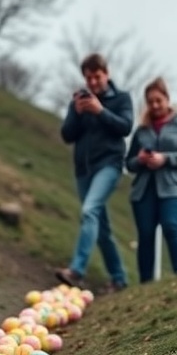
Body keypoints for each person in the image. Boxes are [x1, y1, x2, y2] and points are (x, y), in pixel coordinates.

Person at [55, 53, 133, 291]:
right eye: (89, 78)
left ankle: (77, 271)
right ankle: (119, 279)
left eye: (97, 76)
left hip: (109, 165)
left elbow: (125, 127)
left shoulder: (121, 98)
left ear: (106, 74)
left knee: (89, 212)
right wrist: (78, 113)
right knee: (101, 226)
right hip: (83, 170)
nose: (93, 82)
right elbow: (67, 135)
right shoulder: (78, 101)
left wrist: (100, 110)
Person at [125, 77, 177, 283]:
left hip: (175, 187)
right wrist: (140, 160)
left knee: (170, 225)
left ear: (167, 99)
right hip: (144, 189)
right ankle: (146, 284)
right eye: (150, 101)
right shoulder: (141, 130)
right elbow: (128, 163)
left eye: (159, 100)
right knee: (146, 235)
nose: (155, 105)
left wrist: (165, 158)